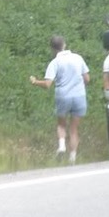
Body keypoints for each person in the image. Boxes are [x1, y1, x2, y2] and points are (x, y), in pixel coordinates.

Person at [29, 35, 90, 165]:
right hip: (79, 96)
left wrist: (35, 82)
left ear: (52, 49)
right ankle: (72, 158)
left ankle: (61, 146)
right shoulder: (78, 58)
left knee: (61, 124)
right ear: (64, 45)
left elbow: (47, 85)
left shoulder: (55, 63)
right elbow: (87, 79)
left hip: (63, 96)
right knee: (74, 129)